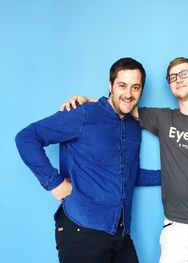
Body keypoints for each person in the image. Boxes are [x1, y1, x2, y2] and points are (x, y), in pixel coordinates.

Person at [62, 57, 188, 263]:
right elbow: (122, 104)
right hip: (176, 226)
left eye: (184, 74)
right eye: (173, 77)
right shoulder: (163, 119)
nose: (178, 79)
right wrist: (87, 99)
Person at [15, 57, 161, 263]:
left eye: (135, 87)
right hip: (82, 230)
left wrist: (173, 176)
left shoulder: (133, 126)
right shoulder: (82, 114)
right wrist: (53, 183)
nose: (128, 94)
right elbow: (26, 137)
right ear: (110, 85)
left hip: (119, 233)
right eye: (122, 85)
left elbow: (127, 174)